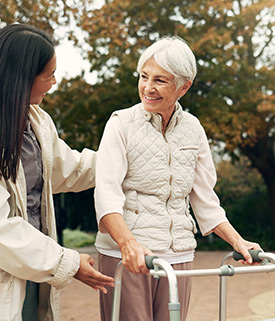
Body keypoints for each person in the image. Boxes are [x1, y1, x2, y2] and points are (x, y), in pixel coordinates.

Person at [0, 23, 114, 321]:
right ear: (22, 77)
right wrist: (68, 262)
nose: (54, 82)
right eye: (48, 74)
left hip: (32, 272)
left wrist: (126, 158)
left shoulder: (35, 121)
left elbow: (70, 170)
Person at [94, 36, 261, 321]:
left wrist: (237, 241)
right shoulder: (120, 123)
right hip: (131, 258)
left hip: (179, 255)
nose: (148, 87)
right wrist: (127, 244)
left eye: (160, 80)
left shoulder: (193, 129)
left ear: (184, 86)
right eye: (144, 77)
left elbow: (205, 199)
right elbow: (106, 194)